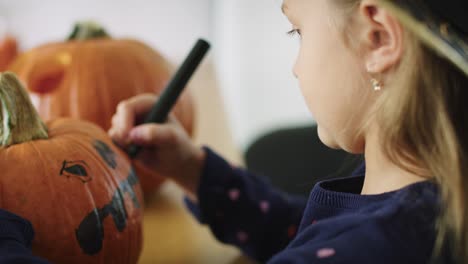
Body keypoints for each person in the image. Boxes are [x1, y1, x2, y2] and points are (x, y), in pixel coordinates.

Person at [109, 0, 468, 263]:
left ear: (378, 40)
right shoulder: (428, 198)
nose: (295, 68)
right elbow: (301, 231)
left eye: (298, 31)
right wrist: (192, 169)